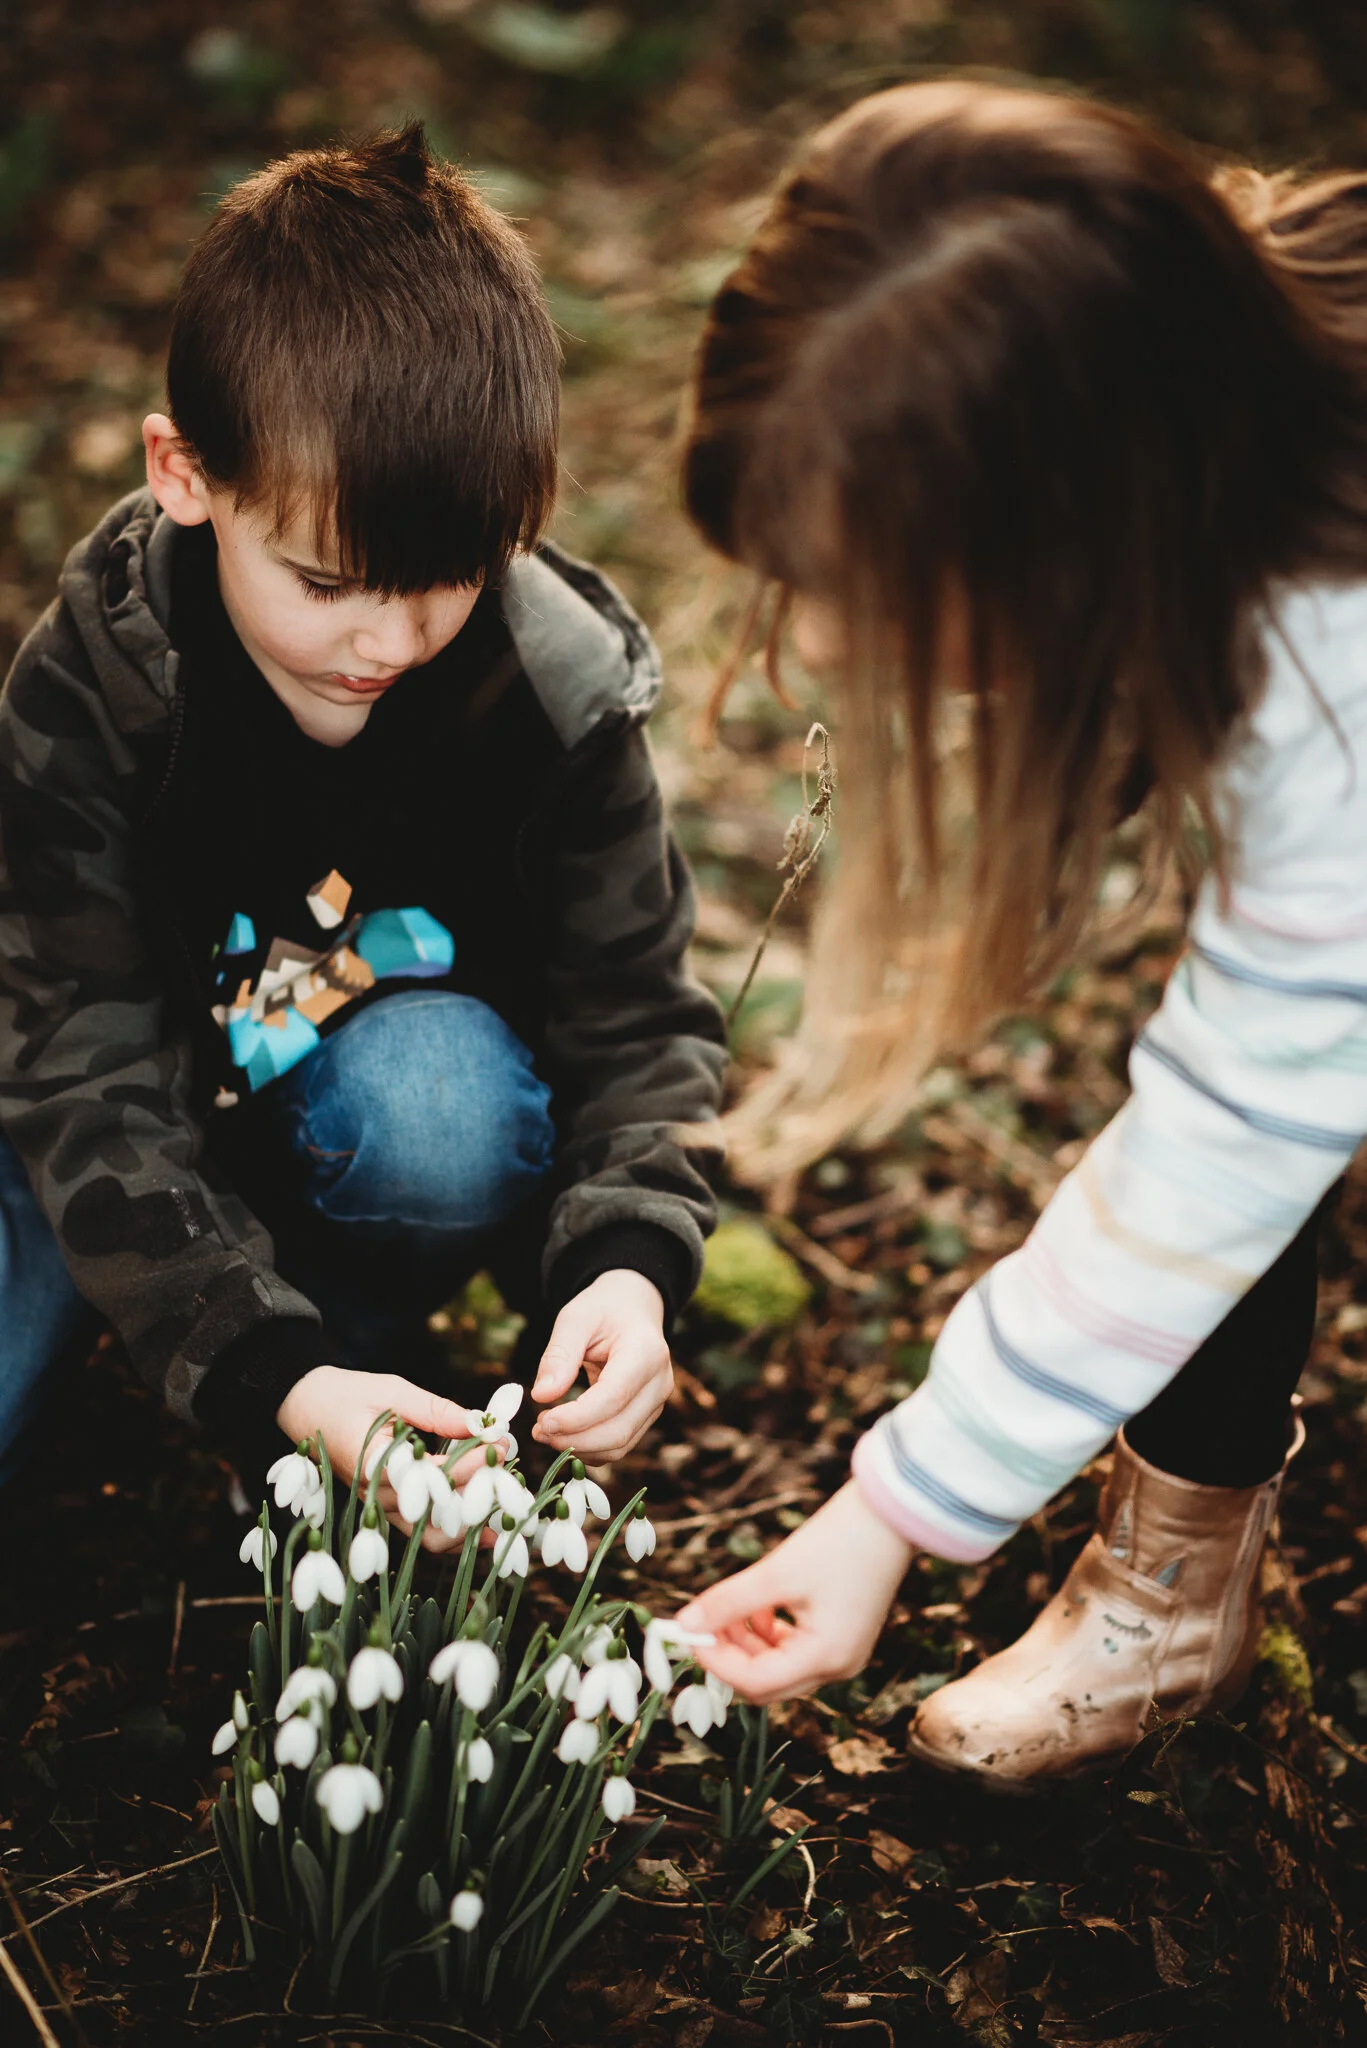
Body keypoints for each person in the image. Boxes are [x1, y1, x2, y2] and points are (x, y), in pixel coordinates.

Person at [674, 79, 1367, 1783]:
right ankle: (1177, 1587)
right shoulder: (1199, 365)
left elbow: (1235, 1131)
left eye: (865, 584)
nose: (822, 643)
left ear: (1068, 533)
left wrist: (892, 1507)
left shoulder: (1334, 695)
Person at [0, 124, 725, 1529]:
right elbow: (70, 1057)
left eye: (448, 577)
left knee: (438, 1106)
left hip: (343, 1141)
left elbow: (635, 1021)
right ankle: (219, 1351)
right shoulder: (93, 687)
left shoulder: (550, 698)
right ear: (185, 473)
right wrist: (247, 1351)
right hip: (81, 1146)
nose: (387, 639)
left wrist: (627, 1268)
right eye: (327, 580)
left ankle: (337, 1366)